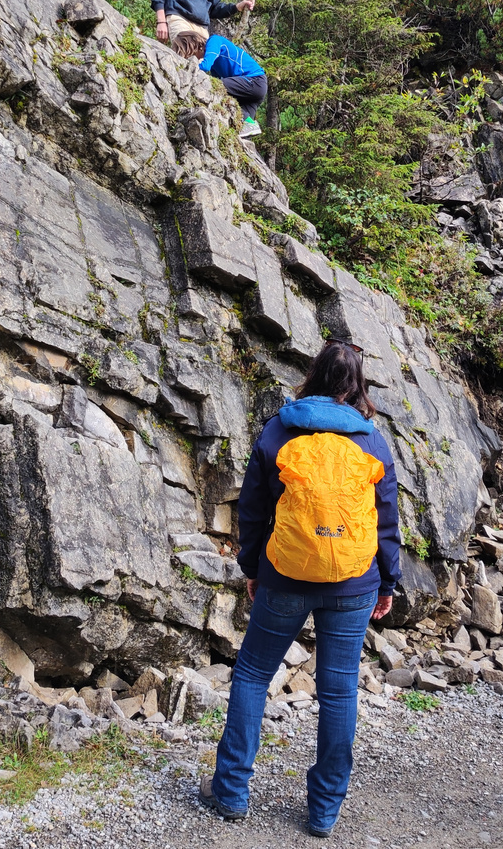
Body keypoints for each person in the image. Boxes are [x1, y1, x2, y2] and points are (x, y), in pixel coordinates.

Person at [201, 338, 400, 839]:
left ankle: (230, 792)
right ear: (357, 384)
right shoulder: (371, 441)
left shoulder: (277, 431)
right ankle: (324, 810)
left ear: (312, 377)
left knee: (251, 675)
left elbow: (252, 509)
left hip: (285, 575)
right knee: (337, 691)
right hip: (353, 582)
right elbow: (386, 522)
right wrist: (388, 582)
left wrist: (252, 566)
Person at [173, 32, 268, 137]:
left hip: (254, 81)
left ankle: (250, 123)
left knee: (215, 87)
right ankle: (249, 124)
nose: (192, 57)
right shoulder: (215, 62)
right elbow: (215, 80)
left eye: (190, 54)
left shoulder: (214, 41)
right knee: (243, 132)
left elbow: (206, 67)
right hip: (253, 89)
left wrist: (188, 69)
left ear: (193, 46)